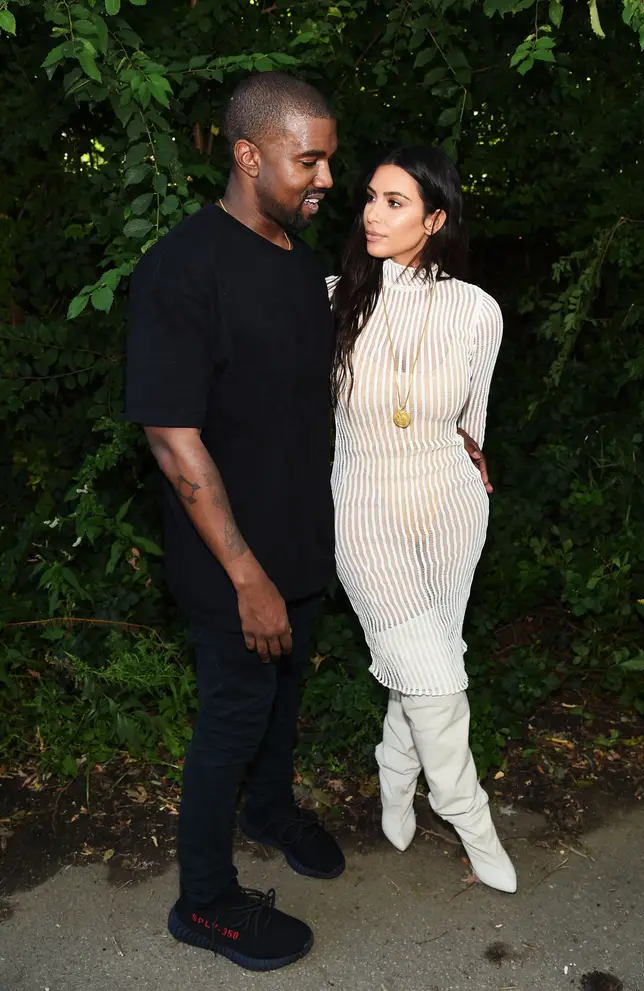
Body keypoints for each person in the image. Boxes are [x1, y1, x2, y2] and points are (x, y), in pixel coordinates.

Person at [125, 72, 344, 972]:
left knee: (283, 704)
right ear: (249, 156)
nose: (326, 177)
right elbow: (175, 445)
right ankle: (205, 903)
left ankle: (271, 809)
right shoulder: (183, 269)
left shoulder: (294, 260)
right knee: (231, 722)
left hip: (301, 549)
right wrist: (249, 578)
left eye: (331, 158)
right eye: (310, 160)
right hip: (233, 567)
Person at [329, 146, 517, 894]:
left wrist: (476, 476)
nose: (373, 213)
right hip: (365, 503)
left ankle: (395, 767)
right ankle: (469, 815)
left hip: (449, 503)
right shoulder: (332, 300)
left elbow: (476, 423)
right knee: (436, 674)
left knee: (431, 658)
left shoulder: (478, 310)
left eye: (396, 202)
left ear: (435, 220)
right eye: (371, 197)